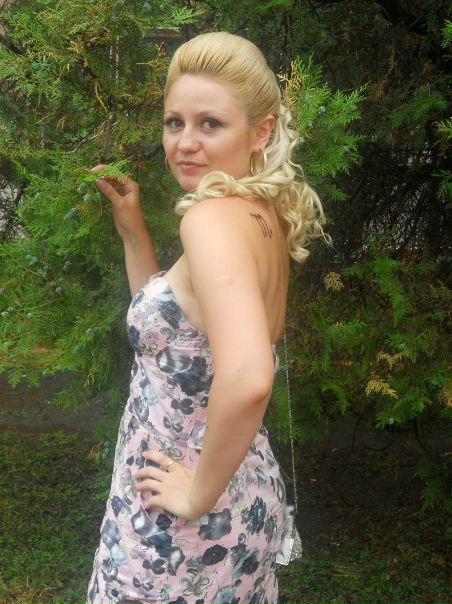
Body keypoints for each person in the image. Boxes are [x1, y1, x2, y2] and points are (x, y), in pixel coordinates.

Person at [86, 31, 325, 604]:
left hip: (182, 518)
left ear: (261, 131)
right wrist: (132, 231)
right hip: (242, 491)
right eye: (175, 122)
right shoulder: (261, 213)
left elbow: (249, 376)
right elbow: (179, 343)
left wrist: (196, 495)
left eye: (210, 124)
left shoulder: (210, 219)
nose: (184, 143)